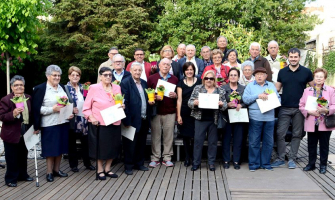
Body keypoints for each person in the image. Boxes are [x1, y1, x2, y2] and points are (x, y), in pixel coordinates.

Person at [271, 48, 314, 169]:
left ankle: (292, 158)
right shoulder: (282, 72)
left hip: (300, 109)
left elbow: (314, 89)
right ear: (288, 58)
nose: (293, 59)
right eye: (291, 57)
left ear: (299, 58)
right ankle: (280, 157)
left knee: (297, 134)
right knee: (280, 133)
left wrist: (328, 90)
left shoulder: (306, 72)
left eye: (296, 57)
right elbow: (276, 89)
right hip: (284, 107)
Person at [32, 65, 74, 182]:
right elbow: (36, 109)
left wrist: (69, 113)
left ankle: (57, 169)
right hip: (49, 124)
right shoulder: (40, 89)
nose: (57, 77)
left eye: (59, 75)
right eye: (54, 75)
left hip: (63, 122)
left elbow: (66, 104)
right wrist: (52, 109)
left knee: (60, 147)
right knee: (51, 149)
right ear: (48, 76)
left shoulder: (61, 87)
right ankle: (49, 172)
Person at [83, 67, 124, 180]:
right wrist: (91, 117)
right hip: (99, 123)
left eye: (110, 75)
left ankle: (108, 169)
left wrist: (122, 106)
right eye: (105, 75)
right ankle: (100, 170)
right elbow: (86, 107)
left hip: (114, 121)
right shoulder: (94, 88)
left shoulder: (117, 87)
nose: (108, 77)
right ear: (100, 76)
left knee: (113, 146)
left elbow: (119, 102)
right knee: (100, 148)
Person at [188, 70, 227, 171]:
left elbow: (225, 105)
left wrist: (222, 105)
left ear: (214, 80)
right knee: (198, 142)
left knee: (213, 142)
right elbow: (189, 102)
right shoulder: (198, 88)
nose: (209, 80)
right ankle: (196, 163)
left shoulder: (220, 90)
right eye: (207, 78)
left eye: (211, 78)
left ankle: (211, 163)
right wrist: (195, 103)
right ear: (203, 79)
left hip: (214, 120)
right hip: (200, 119)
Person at [243, 68, 280, 171]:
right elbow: (245, 99)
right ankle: (253, 164)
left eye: (262, 74)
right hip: (255, 117)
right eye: (257, 74)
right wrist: (258, 96)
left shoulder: (271, 85)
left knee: (268, 142)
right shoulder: (250, 86)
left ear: (266, 76)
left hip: (269, 118)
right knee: (254, 142)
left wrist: (270, 98)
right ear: (254, 76)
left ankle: (265, 163)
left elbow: (278, 99)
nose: (259, 76)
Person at [299, 68, 335, 174]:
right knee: (311, 144)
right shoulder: (307, 90)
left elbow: (333, 105)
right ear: (314, 78)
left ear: (324, 79)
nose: (318, 78)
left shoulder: (330, 90)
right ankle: (311, 164)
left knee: (324, 145)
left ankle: (323, 165)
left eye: (321, 77)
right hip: (312, 121)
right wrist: (309, 112)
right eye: (317, 76)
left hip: (324, 122)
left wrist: (327, 110)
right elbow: (301, 105)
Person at [120, 62, 153, 175]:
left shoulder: (144, 83)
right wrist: (127, 120)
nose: (138, 72)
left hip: (143, 118)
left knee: (141, 143)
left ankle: (139, 164)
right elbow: (125, 102)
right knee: (129, 144)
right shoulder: (125, 83)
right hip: (131, 119)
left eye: (140, 70)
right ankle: (128, 166)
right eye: (135, 70)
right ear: (131, 71)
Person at [0, 75, 33, 187]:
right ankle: (10, 178)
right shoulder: (6, 100)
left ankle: (22, 175)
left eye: (21, 85)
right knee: (11, 157)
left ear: (24, 86)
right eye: (16, 85)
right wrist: (13, 114)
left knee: (23, 155)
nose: (19, 87)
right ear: (12, 87)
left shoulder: (28, 97)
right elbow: (2, 116)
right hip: (11, 133)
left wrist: (35, 128)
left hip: (25, 131)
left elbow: (32, 114)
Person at [148, 58, 179, 168]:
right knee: (155, 135)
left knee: (168, 136)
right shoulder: (152, 78)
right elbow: (148, 94)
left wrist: (175, 96)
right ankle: (155, 158)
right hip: (156, 112)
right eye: (163, 64)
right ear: (159, 66)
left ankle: (167, 157)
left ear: (170, 67)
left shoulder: (175, 79)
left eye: (168, 65)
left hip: (170, 112)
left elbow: (178, 96)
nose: (166, 66)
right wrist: (154, 97)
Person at [66, 66, 95, 173]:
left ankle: (87, 163)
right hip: (72, 119)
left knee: (86, 142)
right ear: (69, 76)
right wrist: (70, 108)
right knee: (72, 143)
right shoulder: (65, 89)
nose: (75, 77)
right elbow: (62, 103)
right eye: (73, 75)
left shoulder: (84, 87)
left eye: (77, 75)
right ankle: (73, 165)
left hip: (84, 118)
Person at [177, 62, 202, 167]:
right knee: (186, 137)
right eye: (187, 70)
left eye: (191, 69)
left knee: (196, 137)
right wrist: (179, 115)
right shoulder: (180, 83)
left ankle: (195, 158)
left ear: (194, 70)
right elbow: (179, 100)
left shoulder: (200, 82)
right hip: (185, 113)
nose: (189, 71)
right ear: (184, 71)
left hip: (196, 112)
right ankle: (187, 158)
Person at [221, 68, 246, 170]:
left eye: (235, 75)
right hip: (226, 116)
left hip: (239, 116)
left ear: (238, 77)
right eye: (231, 75)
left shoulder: (243, 88)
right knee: (226, 139)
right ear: (228, 77)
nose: (233, 77)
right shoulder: (223, 88)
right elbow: (220, 101)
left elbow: (247, 101)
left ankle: (236, 160)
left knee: (238, 139)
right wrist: (227, 104)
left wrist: (242, 105)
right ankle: (226, 160)